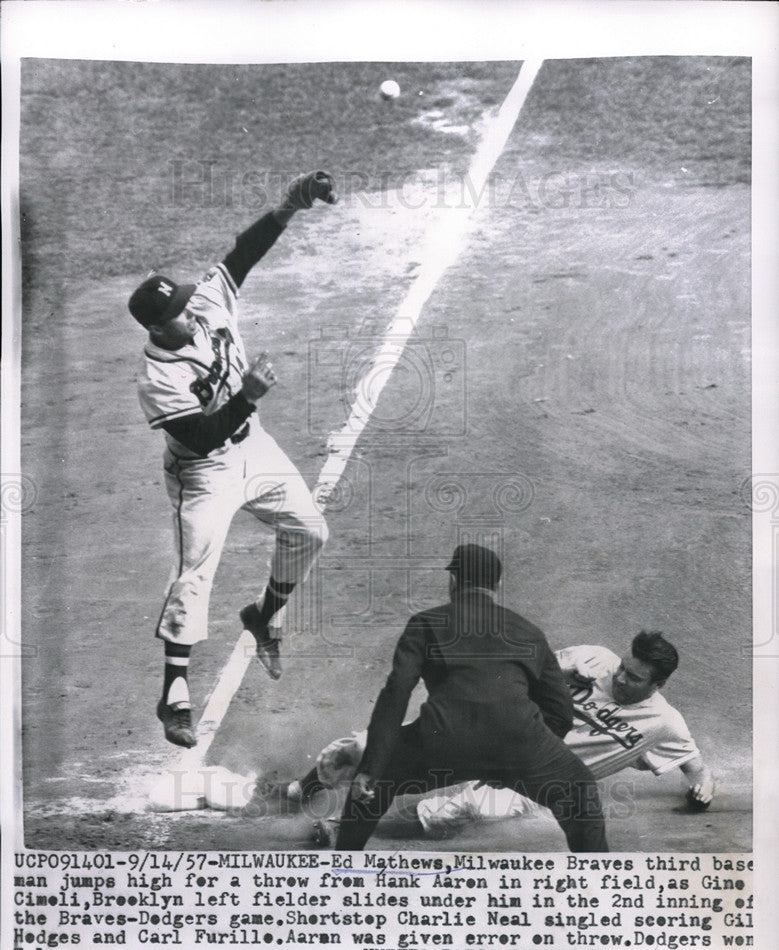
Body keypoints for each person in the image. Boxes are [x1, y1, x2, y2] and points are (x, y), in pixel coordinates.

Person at [128, 170, 336, 748]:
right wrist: (246, 396)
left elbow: (242, 255)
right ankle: (175, 695)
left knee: (310, 532)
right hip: (203, 474)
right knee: (195, 573)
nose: (193, 313)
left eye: (191, 304)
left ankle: (264, 617)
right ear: (155, 326)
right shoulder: (157, 377)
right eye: (180, 314)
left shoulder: (205, 304)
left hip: (253, 448)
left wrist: (287, 207)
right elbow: (199, 439)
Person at [284, 630, 714, 842]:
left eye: (634, 678)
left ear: (657, 685)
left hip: (538, 780)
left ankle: (338, 830)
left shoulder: (664, 722)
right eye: (622, 666)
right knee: (378, 747)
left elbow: (693, 766)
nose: (620, 677)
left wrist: (701, 787)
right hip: (499, 736)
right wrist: (561, 672)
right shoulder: (593, 659)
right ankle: (301, 790)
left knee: (462, 809)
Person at [328, 543, 609, 852]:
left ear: (453, 582)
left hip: (443, 737)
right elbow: (560, 711)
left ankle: (344, 866)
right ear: (497, 586)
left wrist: (372, 767)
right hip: (519, 741)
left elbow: (396, 694)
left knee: (374, 781)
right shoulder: (529, 631)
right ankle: (596, 880)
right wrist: (522, 760)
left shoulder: (425, 623)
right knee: (580, 789)